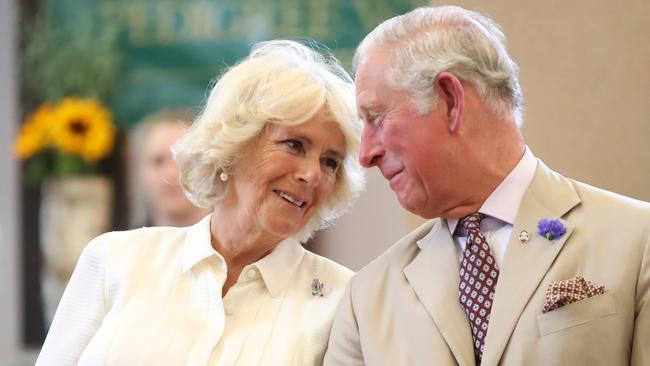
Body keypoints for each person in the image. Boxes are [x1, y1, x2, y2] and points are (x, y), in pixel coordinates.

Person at [325, 5, 649, 366]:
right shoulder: (366, 299)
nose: (366, 155)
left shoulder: (638, 241)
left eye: (377, 118)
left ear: (450, 100)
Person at [36, 39, 365, 365]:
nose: (312, 174)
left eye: (330, 162)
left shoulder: (343, 299)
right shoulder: (116, 259)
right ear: (234, 146)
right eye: (294, 144)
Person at [128, 108, 210, 228]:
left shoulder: (237, 244)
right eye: (158, 161)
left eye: (182, 161)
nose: (169, 174)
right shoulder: (123, 245)